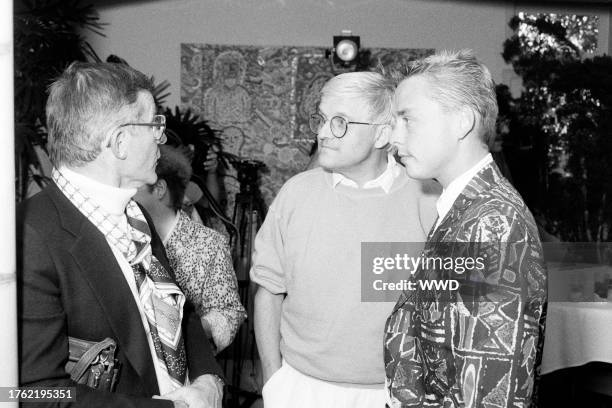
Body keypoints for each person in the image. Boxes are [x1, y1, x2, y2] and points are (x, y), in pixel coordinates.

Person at [17, 62, 224, 407]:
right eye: (154, 124)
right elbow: (35, 392)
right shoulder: (29, 237)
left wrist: (207, 379)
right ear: (120, 141)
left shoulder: (134, 213)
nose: (162, 136)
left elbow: (174, 309)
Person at [251, 71, 439, 408]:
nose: (323, 132)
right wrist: (273, 381)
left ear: (382, 133)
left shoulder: (428, 200)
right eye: (321, 119)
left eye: (340, 122)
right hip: (300, 388)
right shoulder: (295, 194)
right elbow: (268, 289)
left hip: (395, 393)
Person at [384, 50, 547, 408]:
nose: (393, 138)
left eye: (407, 119)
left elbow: (489, 397)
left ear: (462, 121)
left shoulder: (493, 224)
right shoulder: (465, 207)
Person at [134, 144, 246, 353]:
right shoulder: (123, 235)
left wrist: (186, 329)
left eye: (134, 185)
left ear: (159, 189)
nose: (126, 193)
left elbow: (230, 313)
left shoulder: (209, 244)